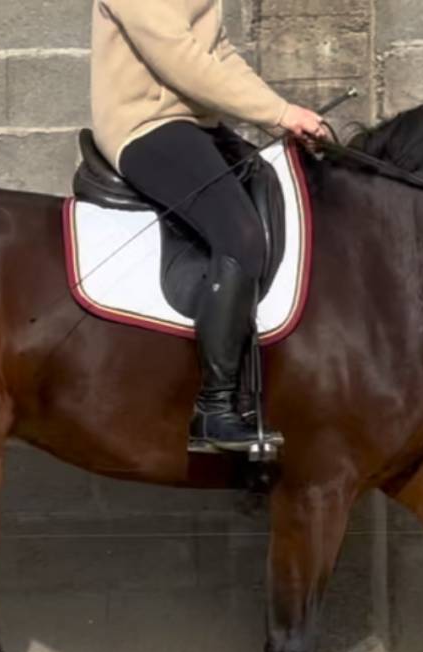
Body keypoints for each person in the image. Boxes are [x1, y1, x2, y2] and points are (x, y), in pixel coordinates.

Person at [91, 0, 331, 451]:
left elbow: (220, 53)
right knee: (239, 235)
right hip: (145, 127)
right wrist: (278, 113)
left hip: (201, 126)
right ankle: (214, 408)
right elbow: (178, 56)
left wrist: (287, 114)